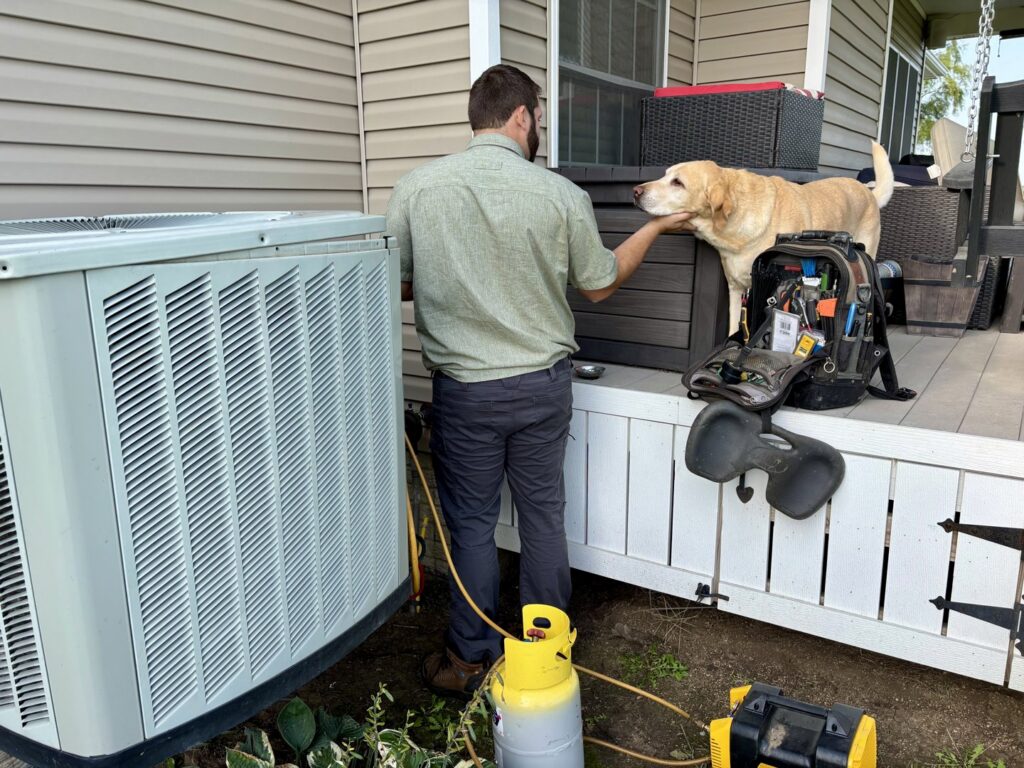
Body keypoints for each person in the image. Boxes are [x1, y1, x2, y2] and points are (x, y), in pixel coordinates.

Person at [386, 64, 691, 699]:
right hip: (541, 389)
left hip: (465, 393)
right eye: (539, 119)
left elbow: (398, 281)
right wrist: (658, 225)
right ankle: (545, 657)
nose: (539, 131)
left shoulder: (417, 189)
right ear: (522, 116)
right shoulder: (559, 196)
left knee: (470, 524)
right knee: (542, 519)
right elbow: (600, 282)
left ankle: (469, 660)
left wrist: (455, 278)